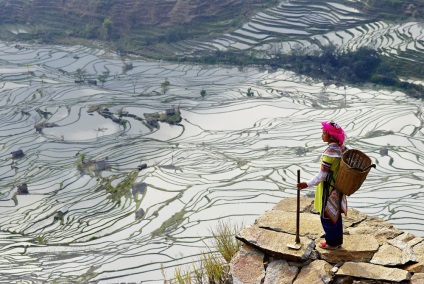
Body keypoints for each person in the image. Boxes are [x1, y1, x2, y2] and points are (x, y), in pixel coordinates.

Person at [297, 121, 347, 249]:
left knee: (327, 216)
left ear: (331, 137)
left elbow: (322, 175)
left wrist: (306, 184)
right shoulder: (341, 149)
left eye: (324, 133)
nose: (322, 135)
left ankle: (332, 242)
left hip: (328, 188)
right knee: (335, 214)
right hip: (337, 187)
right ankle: (336, 238)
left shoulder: (330, 153)